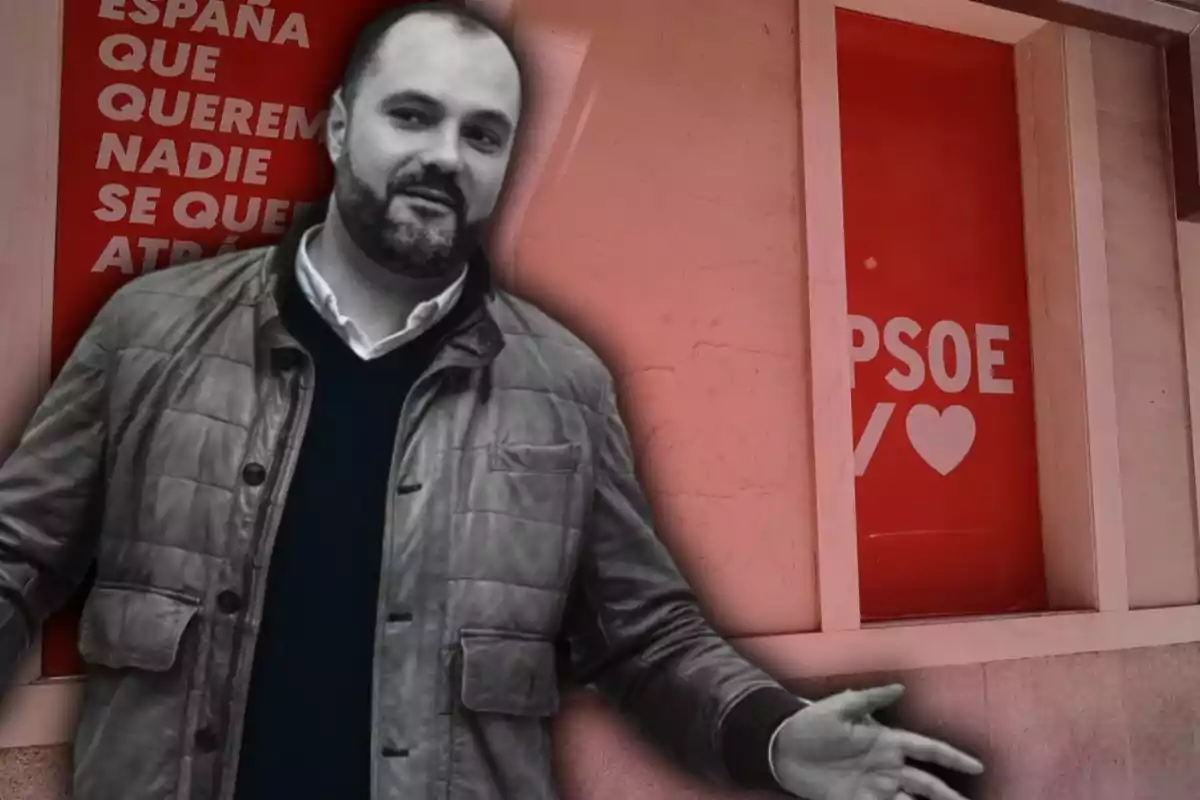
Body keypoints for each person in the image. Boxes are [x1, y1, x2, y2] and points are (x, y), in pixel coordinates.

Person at [0, 3, 985, 799]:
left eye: (483, 134)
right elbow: (18, 555)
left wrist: (770, 735)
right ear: (341, 125)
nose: (446, 155)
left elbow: (644, 633)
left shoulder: (562, 381)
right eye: (412, 115)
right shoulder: (150, 327)